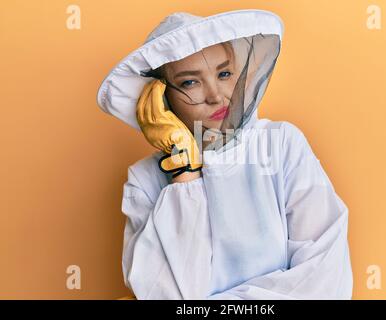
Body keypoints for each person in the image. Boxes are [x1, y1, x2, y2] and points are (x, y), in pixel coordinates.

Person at [97, 9, 353, 300]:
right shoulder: (143, 181)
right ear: (160, 98)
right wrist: (184, 171)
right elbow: (164, 294)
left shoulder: (281, 144)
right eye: (190, 82)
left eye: (224, 73)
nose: (216, 95)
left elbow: (325, 282)